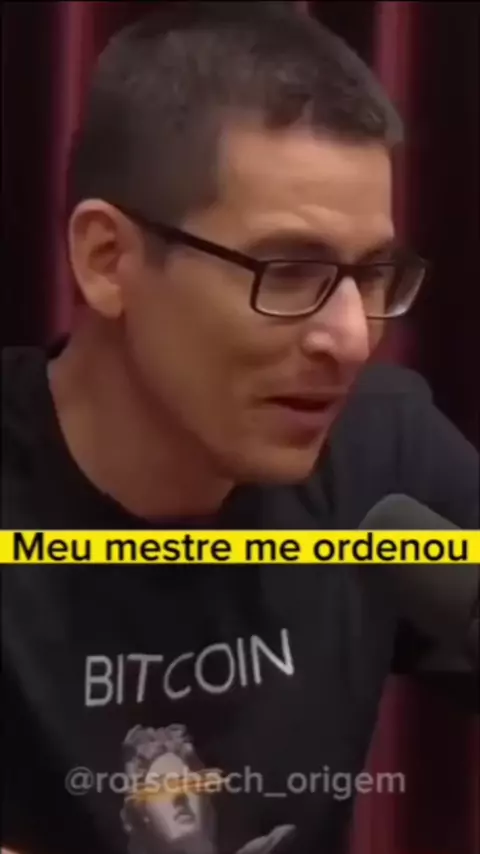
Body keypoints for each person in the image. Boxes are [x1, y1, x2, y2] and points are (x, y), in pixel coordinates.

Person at [1, 3, 478, 854]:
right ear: (109, 260)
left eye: (372, 274)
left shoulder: (381, 453)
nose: (351, 338)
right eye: (289, 270)